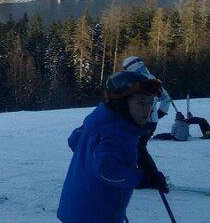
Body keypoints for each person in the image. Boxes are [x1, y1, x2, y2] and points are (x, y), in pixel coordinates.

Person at [57, 71, 168, 222]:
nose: (147, 109)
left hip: (76, 207)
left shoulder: (101, 118)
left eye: (150, 102)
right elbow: (105, 170)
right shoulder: (118, 133)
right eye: (140, 102)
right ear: (122, 103)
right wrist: (142, 179)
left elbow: (74, 139)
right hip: (96, 215)